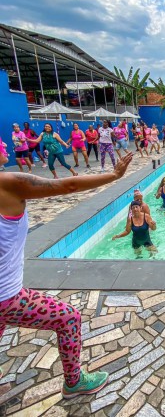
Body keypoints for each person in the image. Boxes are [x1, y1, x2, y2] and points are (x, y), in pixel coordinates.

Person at [0, 150, 134, 398]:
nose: (6, 148)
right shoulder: (7, 184)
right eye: (0, 145)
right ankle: (74, 382)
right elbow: (68, 185)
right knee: (69, 318)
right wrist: (115, 174)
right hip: (5, 297)